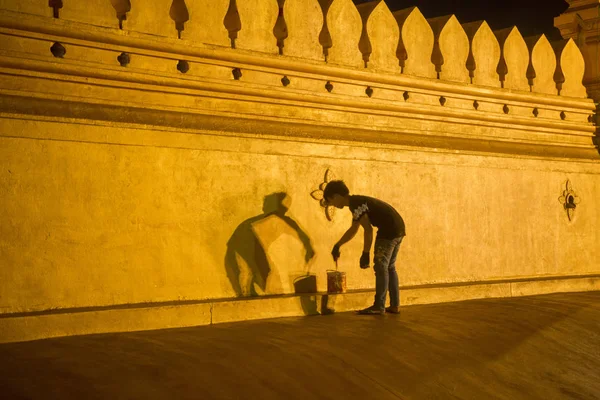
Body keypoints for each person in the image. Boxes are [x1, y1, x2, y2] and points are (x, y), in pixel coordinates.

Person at [323, 180, 406, 315]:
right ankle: (394, 305)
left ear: (337, 196)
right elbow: (354, 228)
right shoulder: (356, 202)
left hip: (388, 231)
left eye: (331, 200)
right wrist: (338, 245)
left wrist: (365, 253)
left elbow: (368, 229)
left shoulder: (356, 204)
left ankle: (379, 305)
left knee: (381, 267)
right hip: (398, 228)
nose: (332, 204)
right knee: (389, 267)